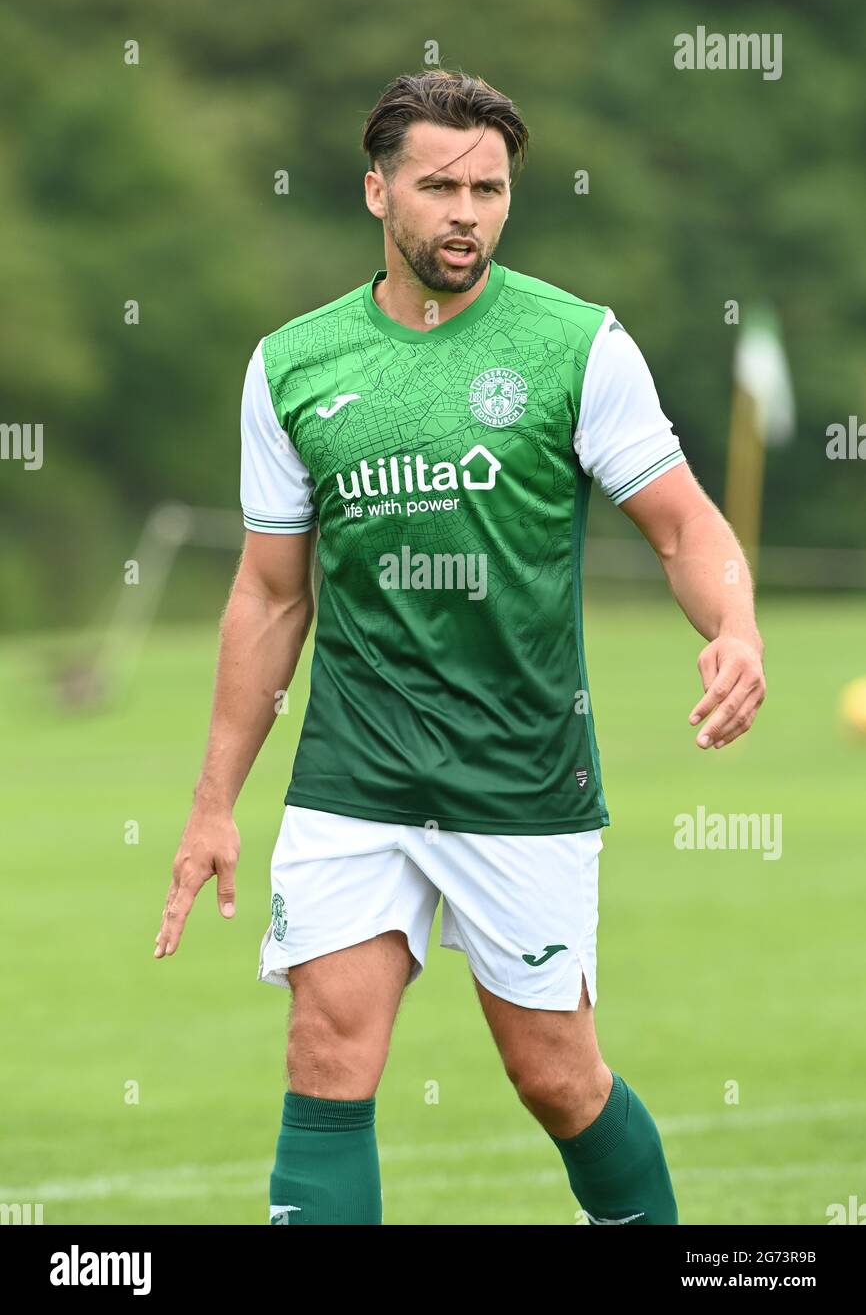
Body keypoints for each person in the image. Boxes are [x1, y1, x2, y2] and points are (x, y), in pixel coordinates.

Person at [155, 69, 766, 1226]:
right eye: (440, 187)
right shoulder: (291, 365)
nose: (467, 213)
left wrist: (732, 625)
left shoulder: (575, 345)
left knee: (555, 1076)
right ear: (375, 191)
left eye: (489, 189)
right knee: (326, 1052)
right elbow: (270, 595)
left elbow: (684, 524)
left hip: (520, 773)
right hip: (355, 767)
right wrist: (211, 802)